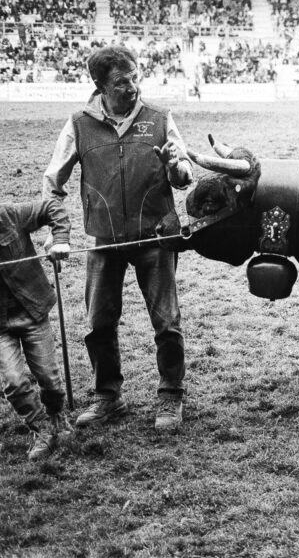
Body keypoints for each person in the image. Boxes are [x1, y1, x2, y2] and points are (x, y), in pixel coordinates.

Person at [43, 45, 195, 432]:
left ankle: (170, 397)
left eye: (134, 77)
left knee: (167, 322)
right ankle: (108, 397)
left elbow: (185, 176)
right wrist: (59, 233)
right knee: (98, 323)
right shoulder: (79, 124)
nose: (132, 87)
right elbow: (52, 182)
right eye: (121, 82)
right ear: (99, 85)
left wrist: (175, 167)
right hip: (104, 242)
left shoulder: (160, 118)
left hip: (157, 237)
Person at [0, 199, 72, 460]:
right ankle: (39, 427)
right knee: (15, 383)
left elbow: (52, 207)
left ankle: (56, 416)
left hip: (33, 311)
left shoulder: (9, 214)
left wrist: (60, 238)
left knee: (50, 380)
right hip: (0, 325)